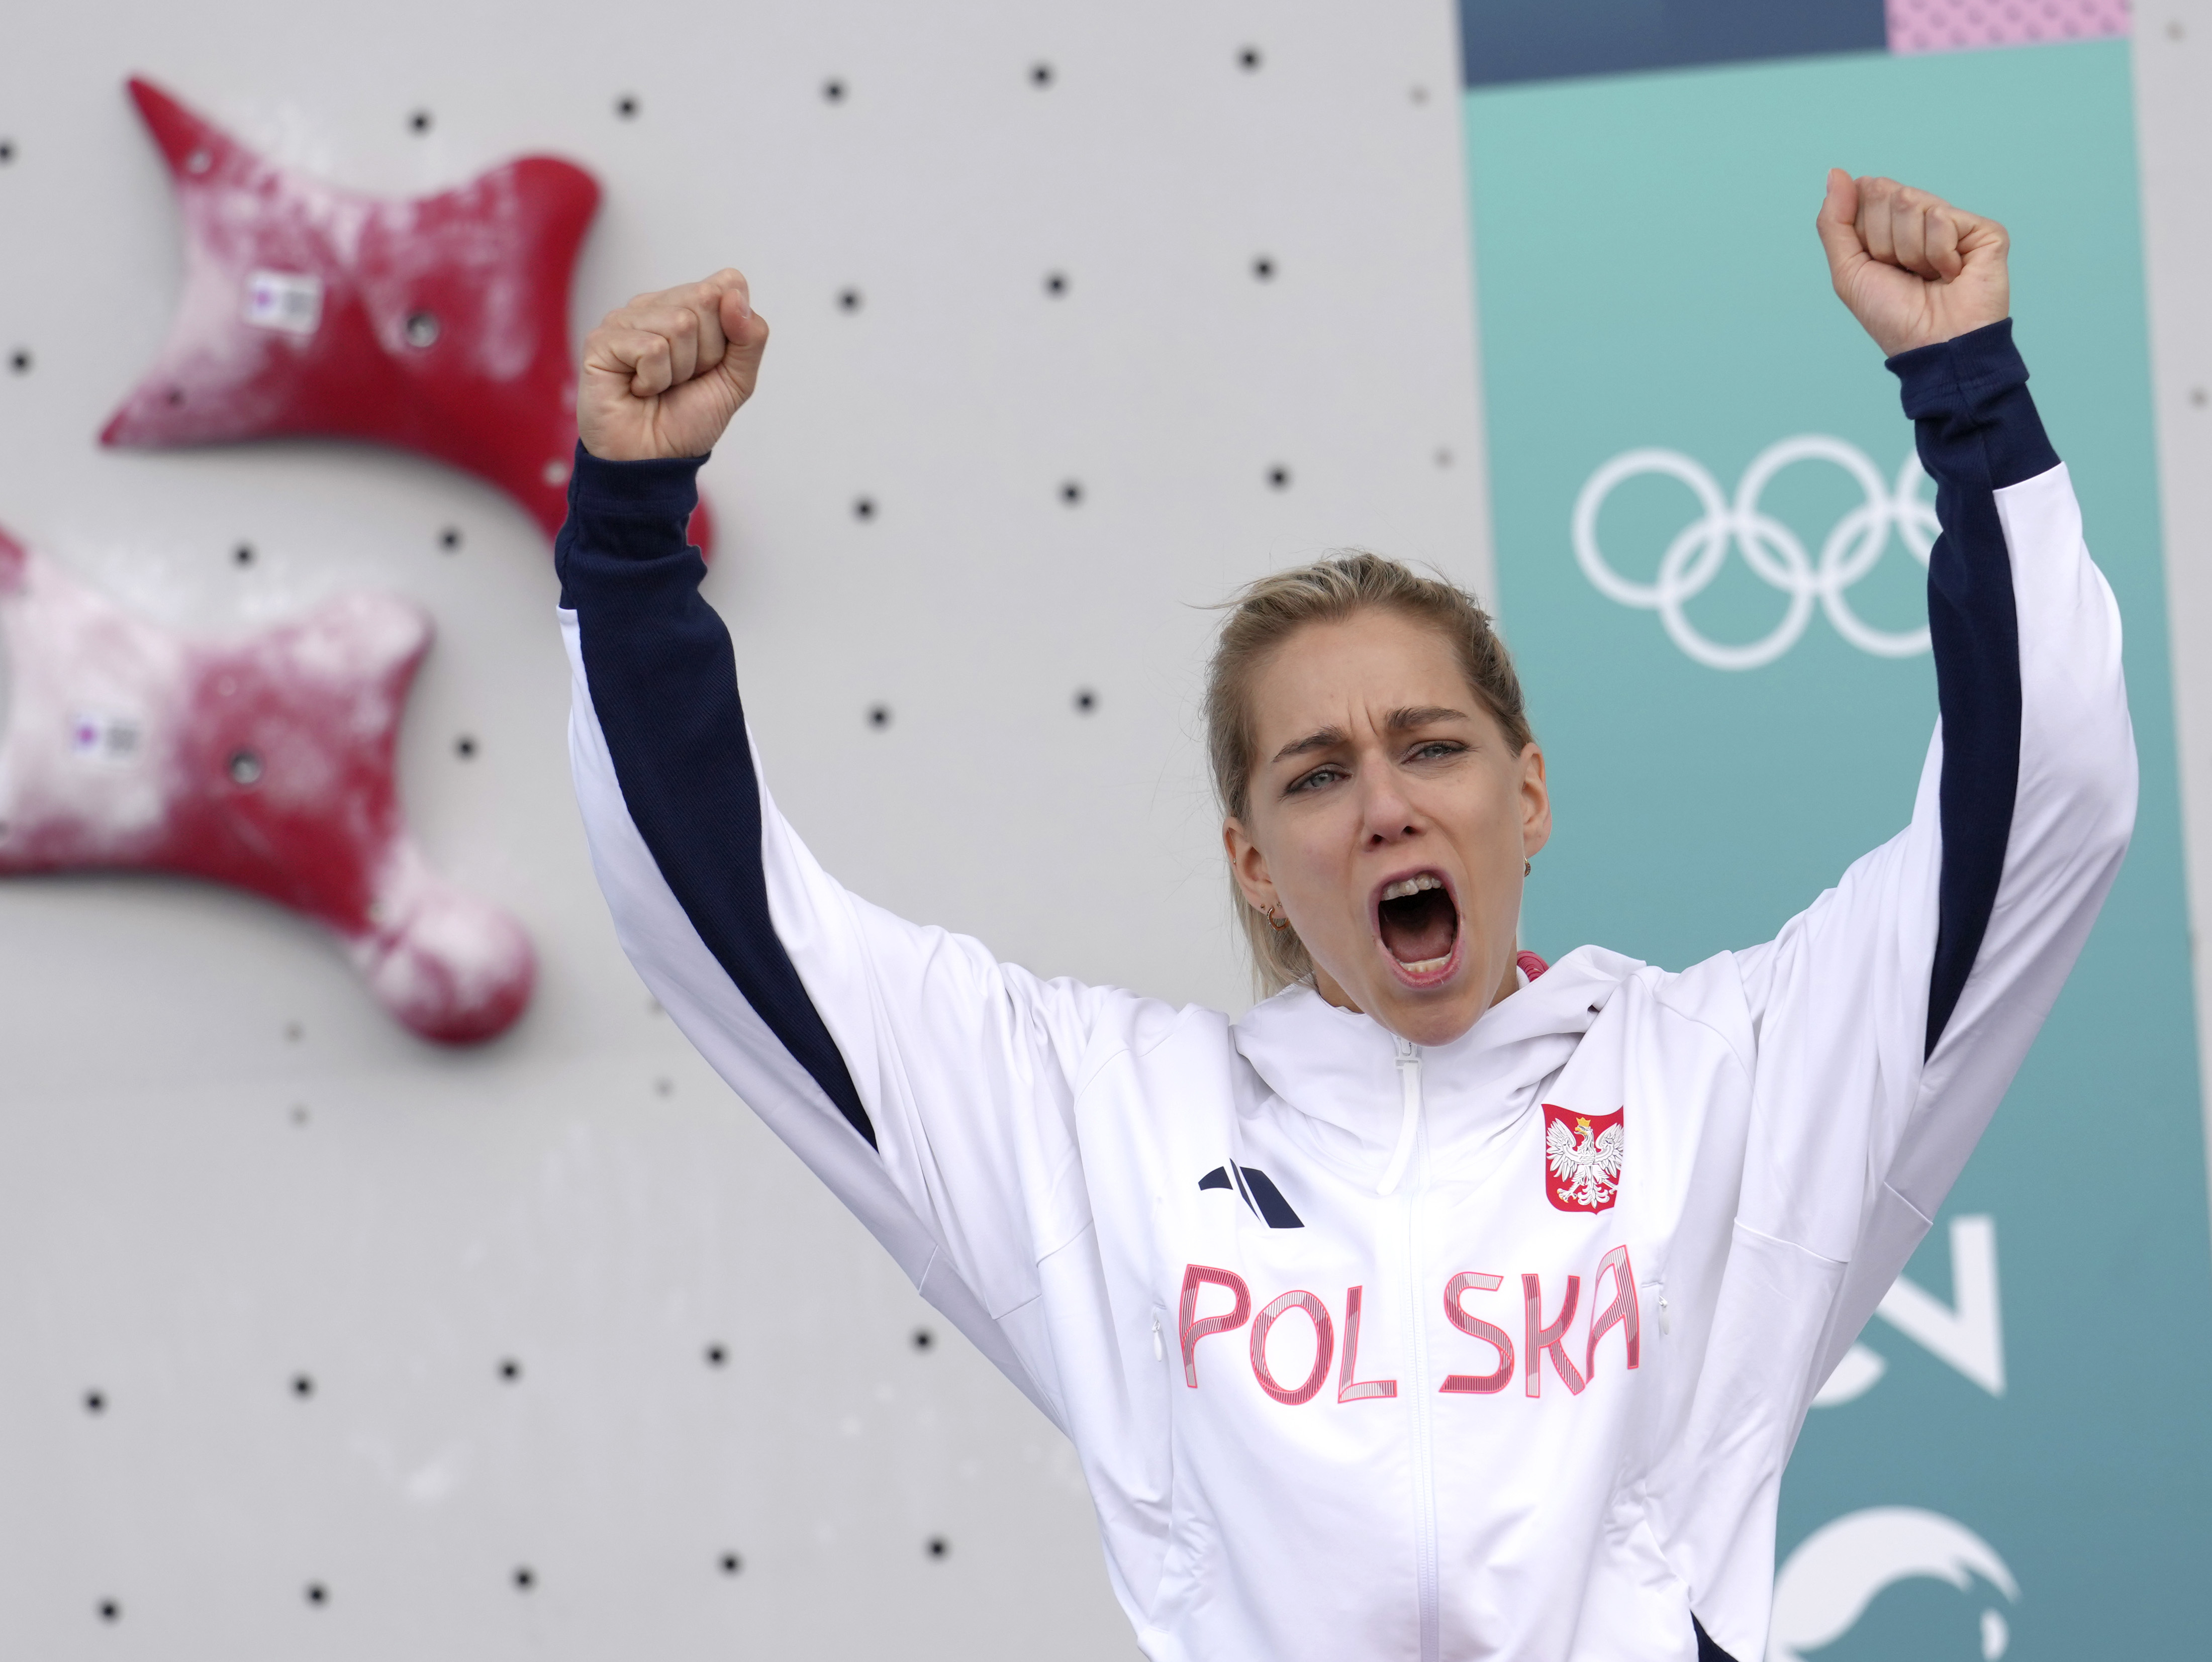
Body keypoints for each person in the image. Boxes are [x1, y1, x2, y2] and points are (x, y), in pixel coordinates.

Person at [551, 170, 2134, 1661]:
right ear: (1253, 862)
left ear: (1528, 797)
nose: (1382, 802)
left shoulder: (1727, 1076)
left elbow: (2043, 799)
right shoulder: (1109, 1125)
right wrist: (628, 529)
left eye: (1430, 747)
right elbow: (730, 926)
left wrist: (1966, 394)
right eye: (1315, 774)